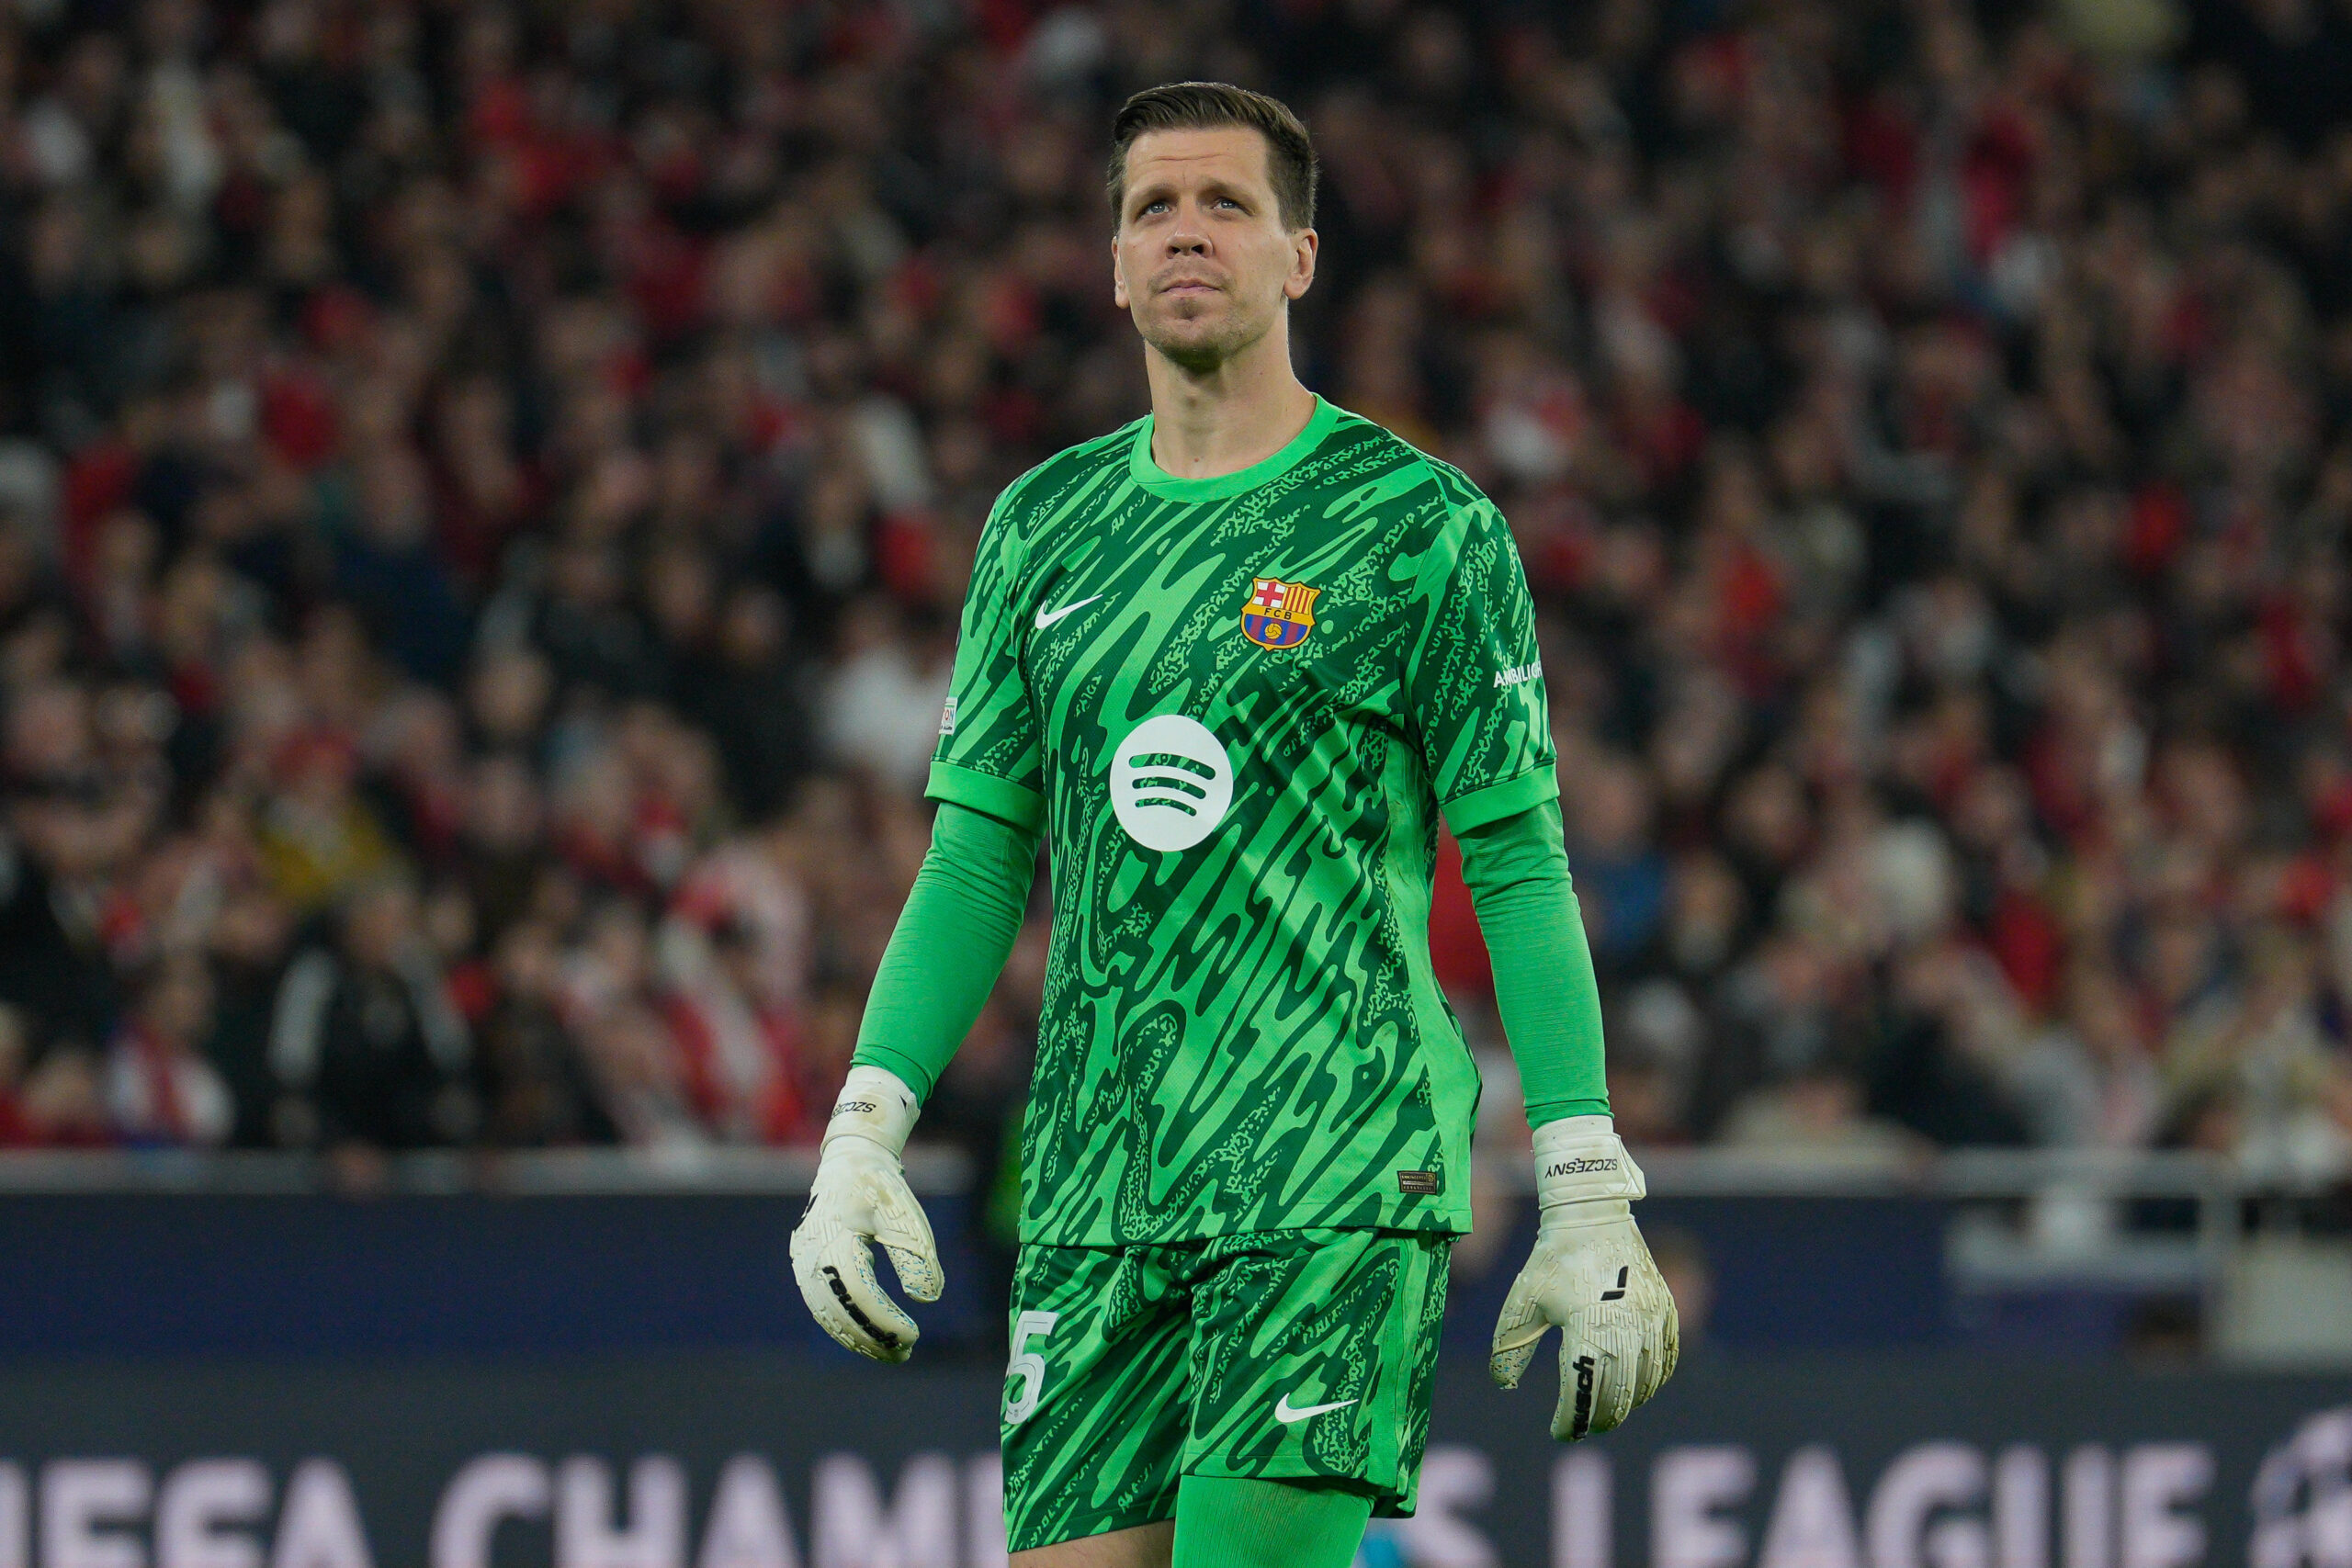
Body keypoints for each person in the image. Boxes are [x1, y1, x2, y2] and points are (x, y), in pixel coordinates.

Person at [789, 83, 1678, 1568]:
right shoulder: (1041, 528)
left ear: (1299, 255)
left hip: (1328, 1160)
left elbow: (1517, 862)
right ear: (1115, 262)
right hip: (1091, 1175)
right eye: (1153, 207)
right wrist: (863, 1127)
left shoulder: (1420, 525)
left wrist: (1586, 1177)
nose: (1185, 231)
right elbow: (975, 857)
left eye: (1225, 204)